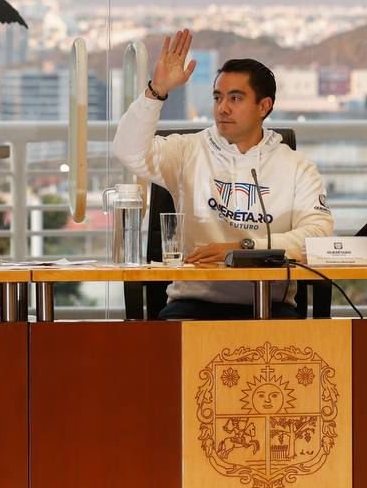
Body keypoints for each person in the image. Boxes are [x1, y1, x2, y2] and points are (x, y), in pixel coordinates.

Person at [112, 29, 334, 320]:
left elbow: (318, 235)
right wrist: (156, 91)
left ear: (264, 106)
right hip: (193, 302)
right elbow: (128, 151)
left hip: (272, 306)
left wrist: (243, 250)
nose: (222, 108)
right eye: (218, 98)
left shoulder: (296, 166)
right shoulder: (188, 150)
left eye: (235, 98)